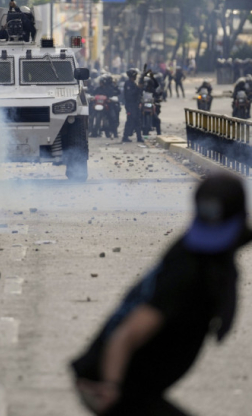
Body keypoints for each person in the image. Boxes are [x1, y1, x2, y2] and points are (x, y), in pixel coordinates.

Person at [71, 173, 252, 416]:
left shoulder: (203, 242)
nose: (214, 241)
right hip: (110, 381)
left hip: (138, 383)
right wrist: (112, 387)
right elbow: (125, 334)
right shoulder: (186, 273)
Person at [121, 68, 143, 143]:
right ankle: (125, 136)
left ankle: (139, 137)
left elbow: (139, 94)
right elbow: (129, 95)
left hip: (135, 105)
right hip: (130, 105)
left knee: (137, 121)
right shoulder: (128, 84)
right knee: (130, 121)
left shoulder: (133, 83)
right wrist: (137, 88)